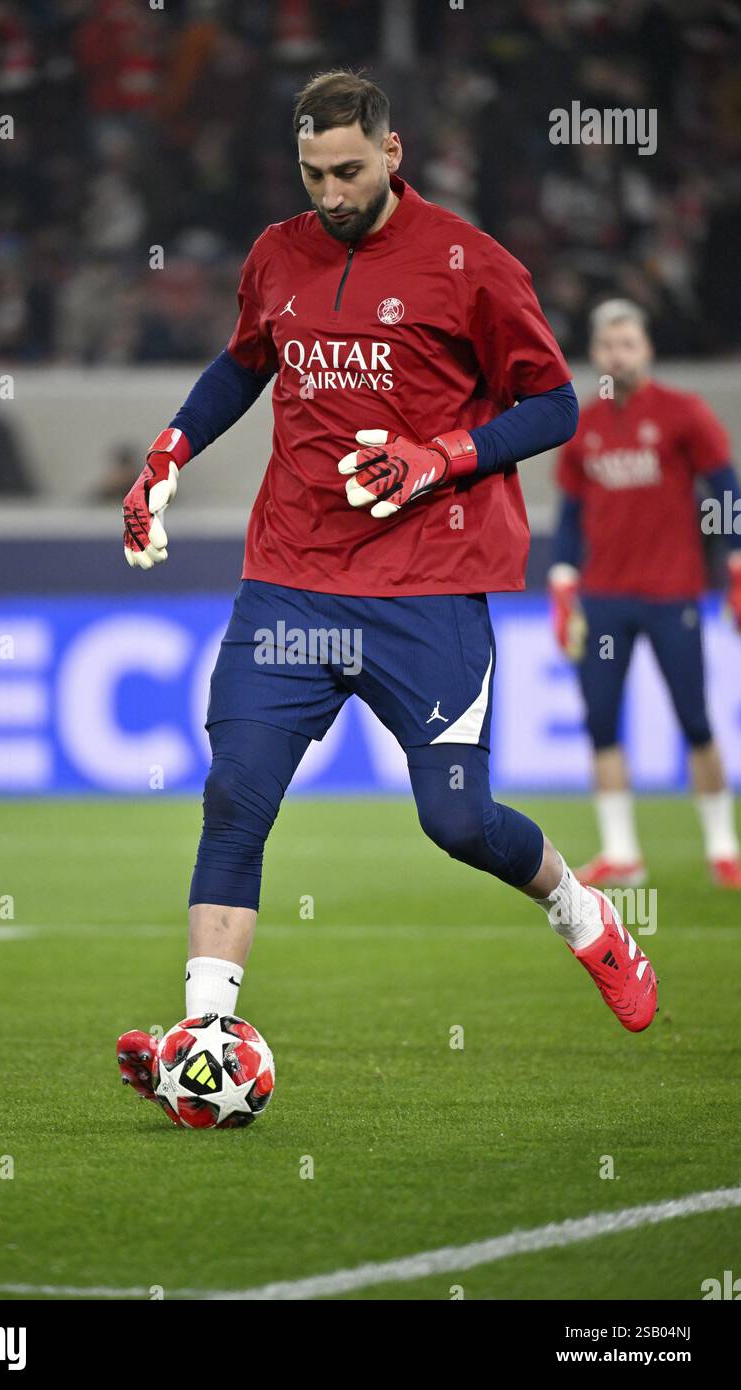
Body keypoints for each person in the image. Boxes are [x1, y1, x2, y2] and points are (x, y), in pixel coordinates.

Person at [117, 70, 658, 1117]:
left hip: (427, 585)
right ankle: (208, 1033)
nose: (330, 193)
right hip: (293, 579)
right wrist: (169, 451)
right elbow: (243, 367)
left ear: (392, 151)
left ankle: (583, 916)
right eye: (313, 173)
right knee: (234, 795)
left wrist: (440, 455)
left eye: (349, 171)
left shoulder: (471, 265)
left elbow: (553, 404)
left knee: (454, 821)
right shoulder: (277, 253)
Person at [549, 299, 741, 890]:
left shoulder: (683, 412)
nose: (617, 355)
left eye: (627, 344)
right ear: (597, 353)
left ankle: (722, 845)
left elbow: (724, 486)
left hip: (671, 593)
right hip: (604, 597)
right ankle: (622, 852)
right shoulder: (583, 423)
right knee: (602, 721)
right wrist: (561, 578)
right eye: (607, 346)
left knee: (694, 719)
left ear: (647, 348)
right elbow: (572, 512)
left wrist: (733, 559)